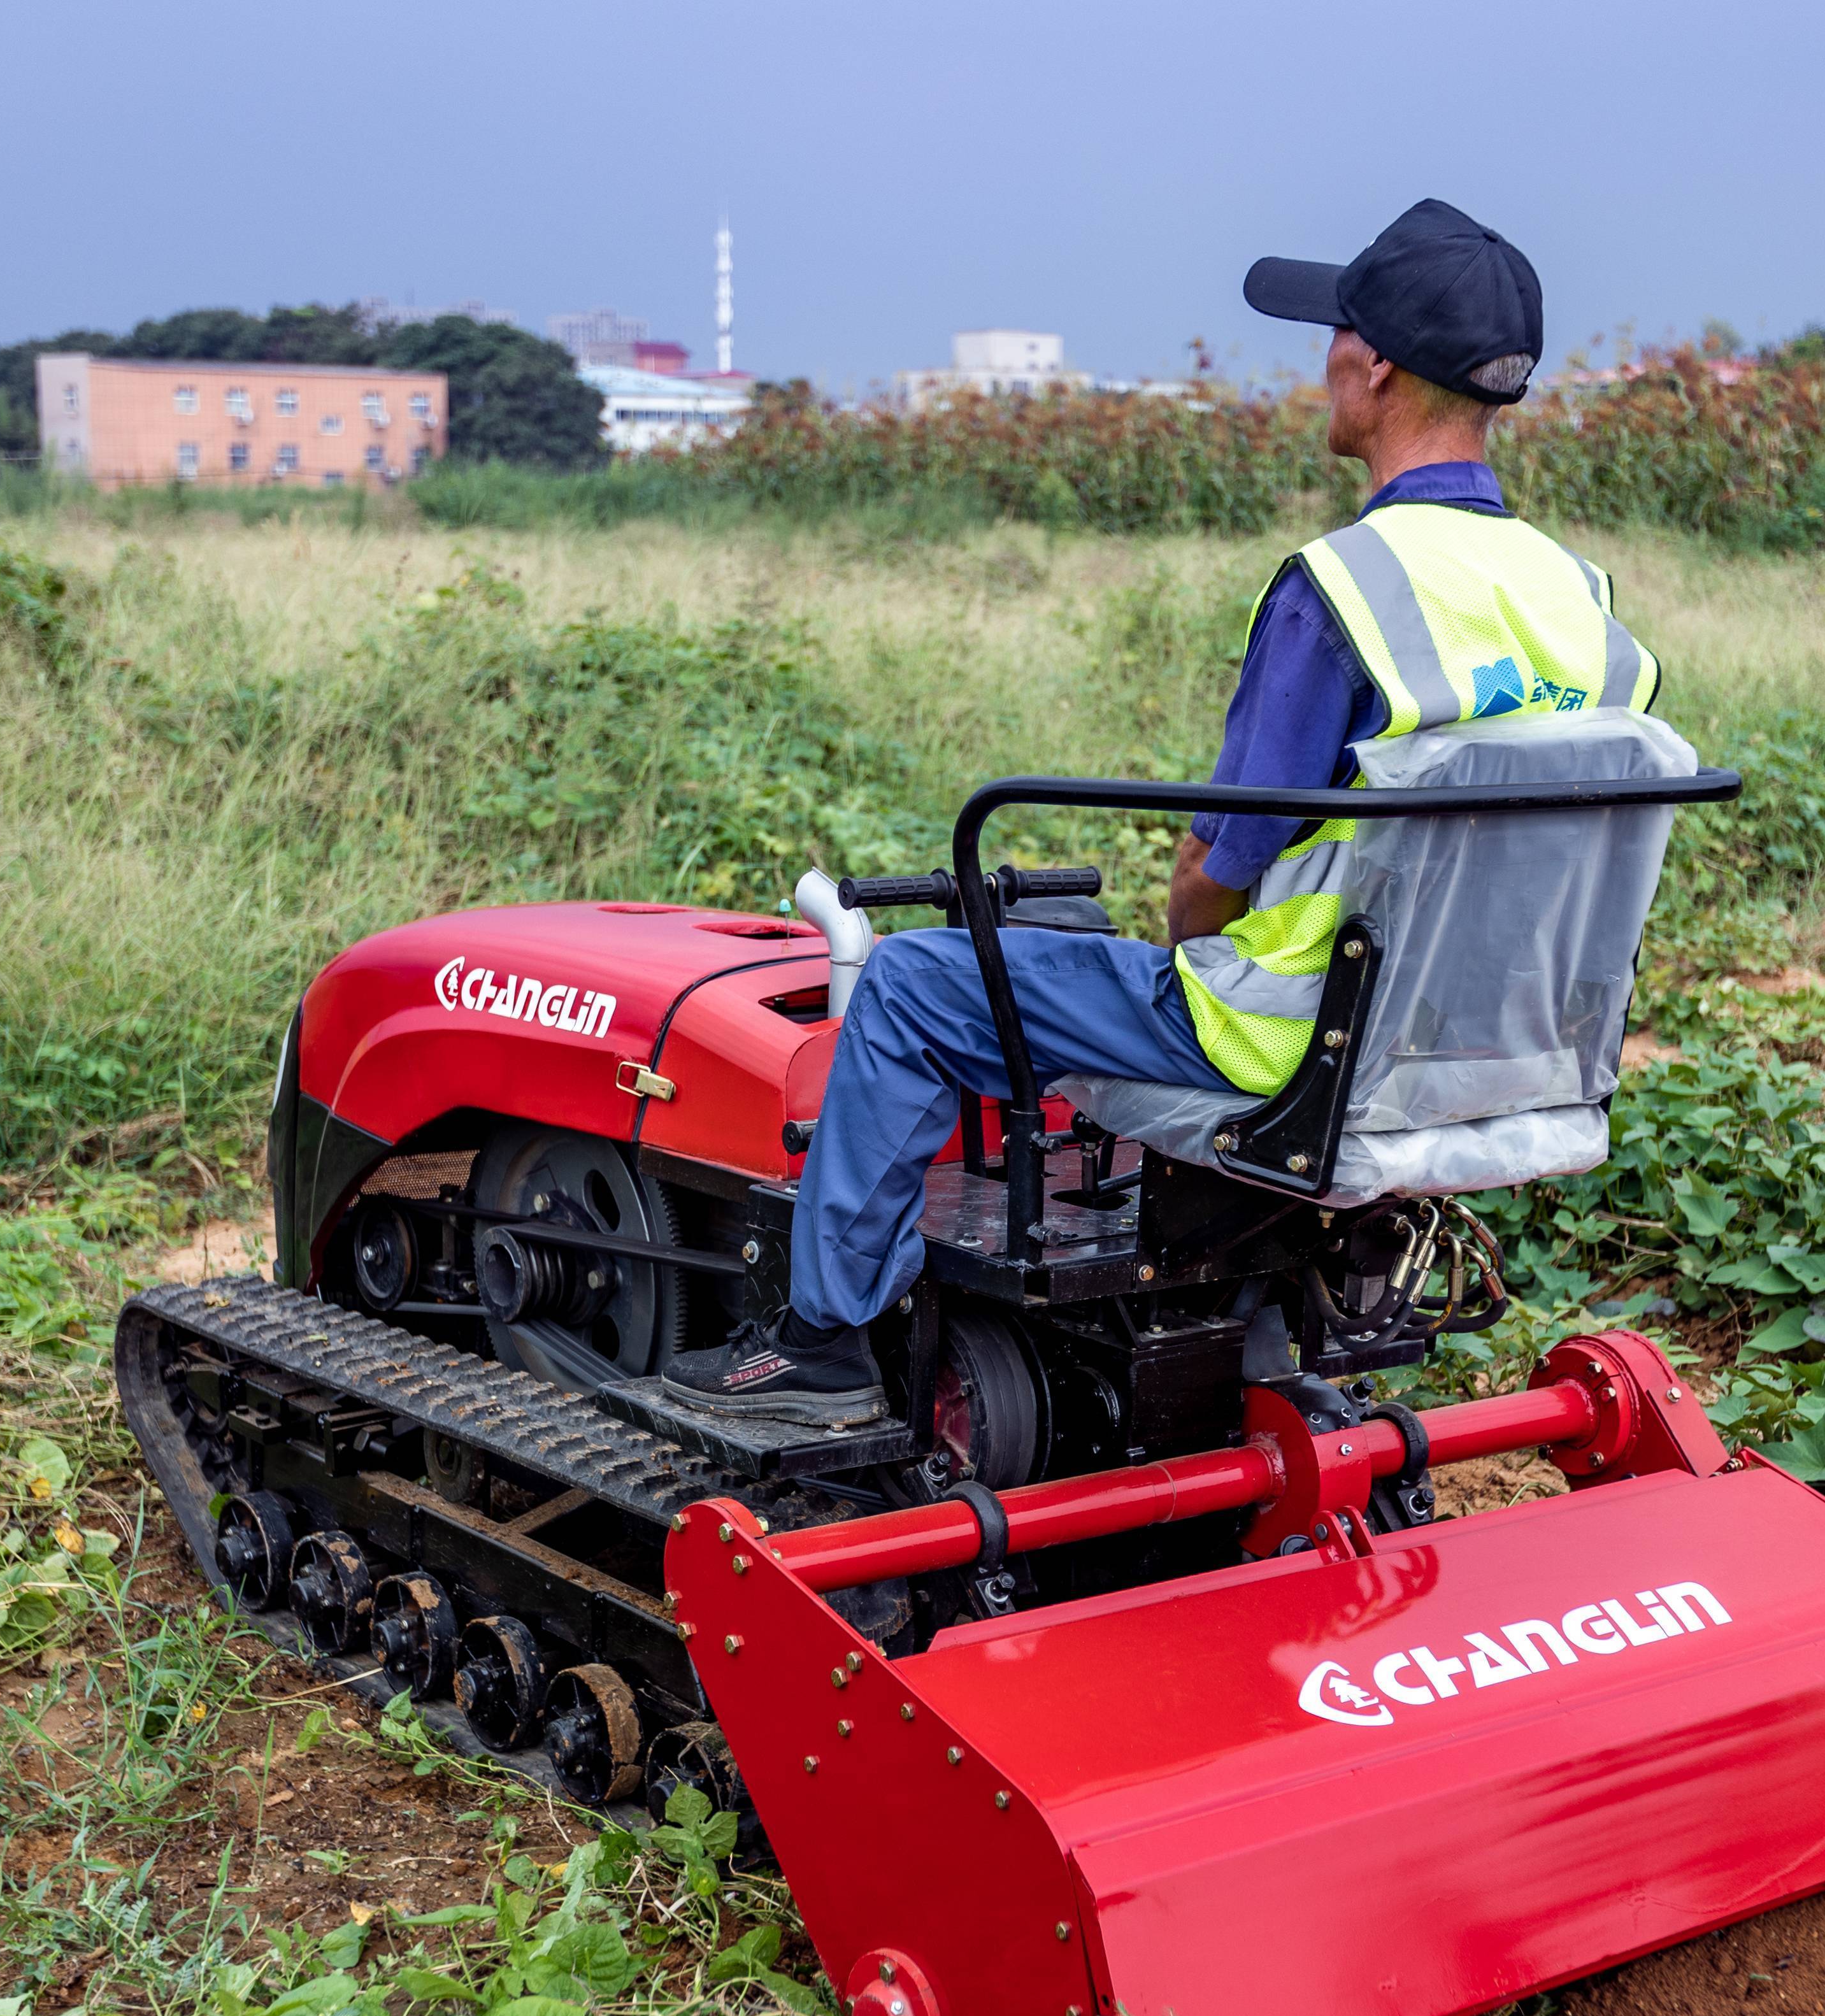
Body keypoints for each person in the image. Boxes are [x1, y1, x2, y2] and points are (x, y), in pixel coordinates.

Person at [660, 197, 1660, 1423]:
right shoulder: (1583, 604)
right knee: (1075, 960)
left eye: (1334, 332)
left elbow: (1213, 877)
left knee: (922, 986)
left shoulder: (1348, 590)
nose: (1325, 358)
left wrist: (1193, 959)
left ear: (1376, 363)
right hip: (1487, 1046)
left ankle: (820, 1341)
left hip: (1290, 1037)